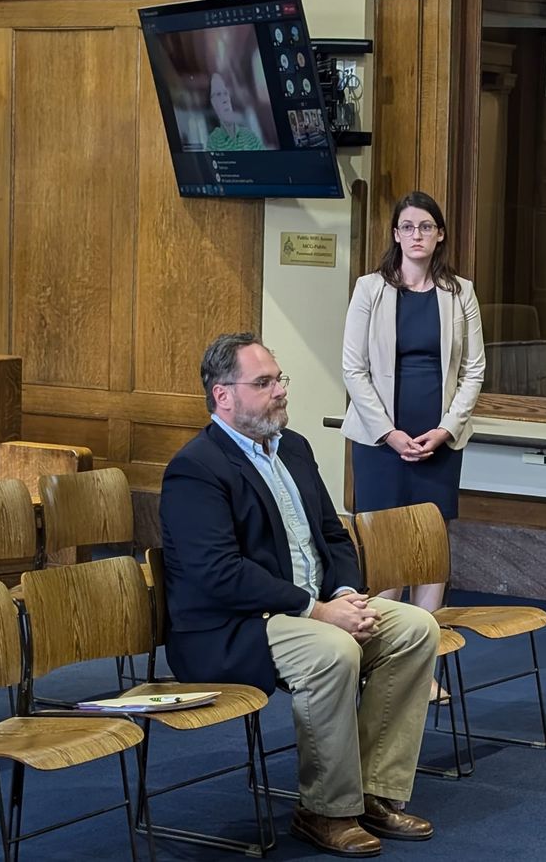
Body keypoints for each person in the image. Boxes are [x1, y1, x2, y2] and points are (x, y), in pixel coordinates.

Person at [160, 333, 440, 858]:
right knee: (333, 651)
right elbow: (218, 573)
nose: (280, 391)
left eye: (279, 379)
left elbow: (332, 535)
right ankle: (324, 810)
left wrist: (345, 595)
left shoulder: (295, 447)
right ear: (224, 396)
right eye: (263, 383)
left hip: (314, 605)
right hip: (233, 628)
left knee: (414, 628)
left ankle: (374, 793)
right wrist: (317, 611)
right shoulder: (196, 467)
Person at [341, 191, 485, 702]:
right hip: (382, 443)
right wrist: (389, 432)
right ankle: (379, 663)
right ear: (396, 235)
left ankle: (422, 668)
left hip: (439, 443)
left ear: (439, 234)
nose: (417, 235)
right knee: (385, 558)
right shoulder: (370, 290)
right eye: (407, 227)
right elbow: (353, 367)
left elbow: (473, 369)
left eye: (426, 227)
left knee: (428, 552)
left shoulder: (459, 292)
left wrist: (445, 429)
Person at [205, 73, 265, 152]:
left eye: (226, 93)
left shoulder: (250, 136)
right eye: (218, 94)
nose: (225, 99)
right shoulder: (213, 142)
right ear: (213, 103)